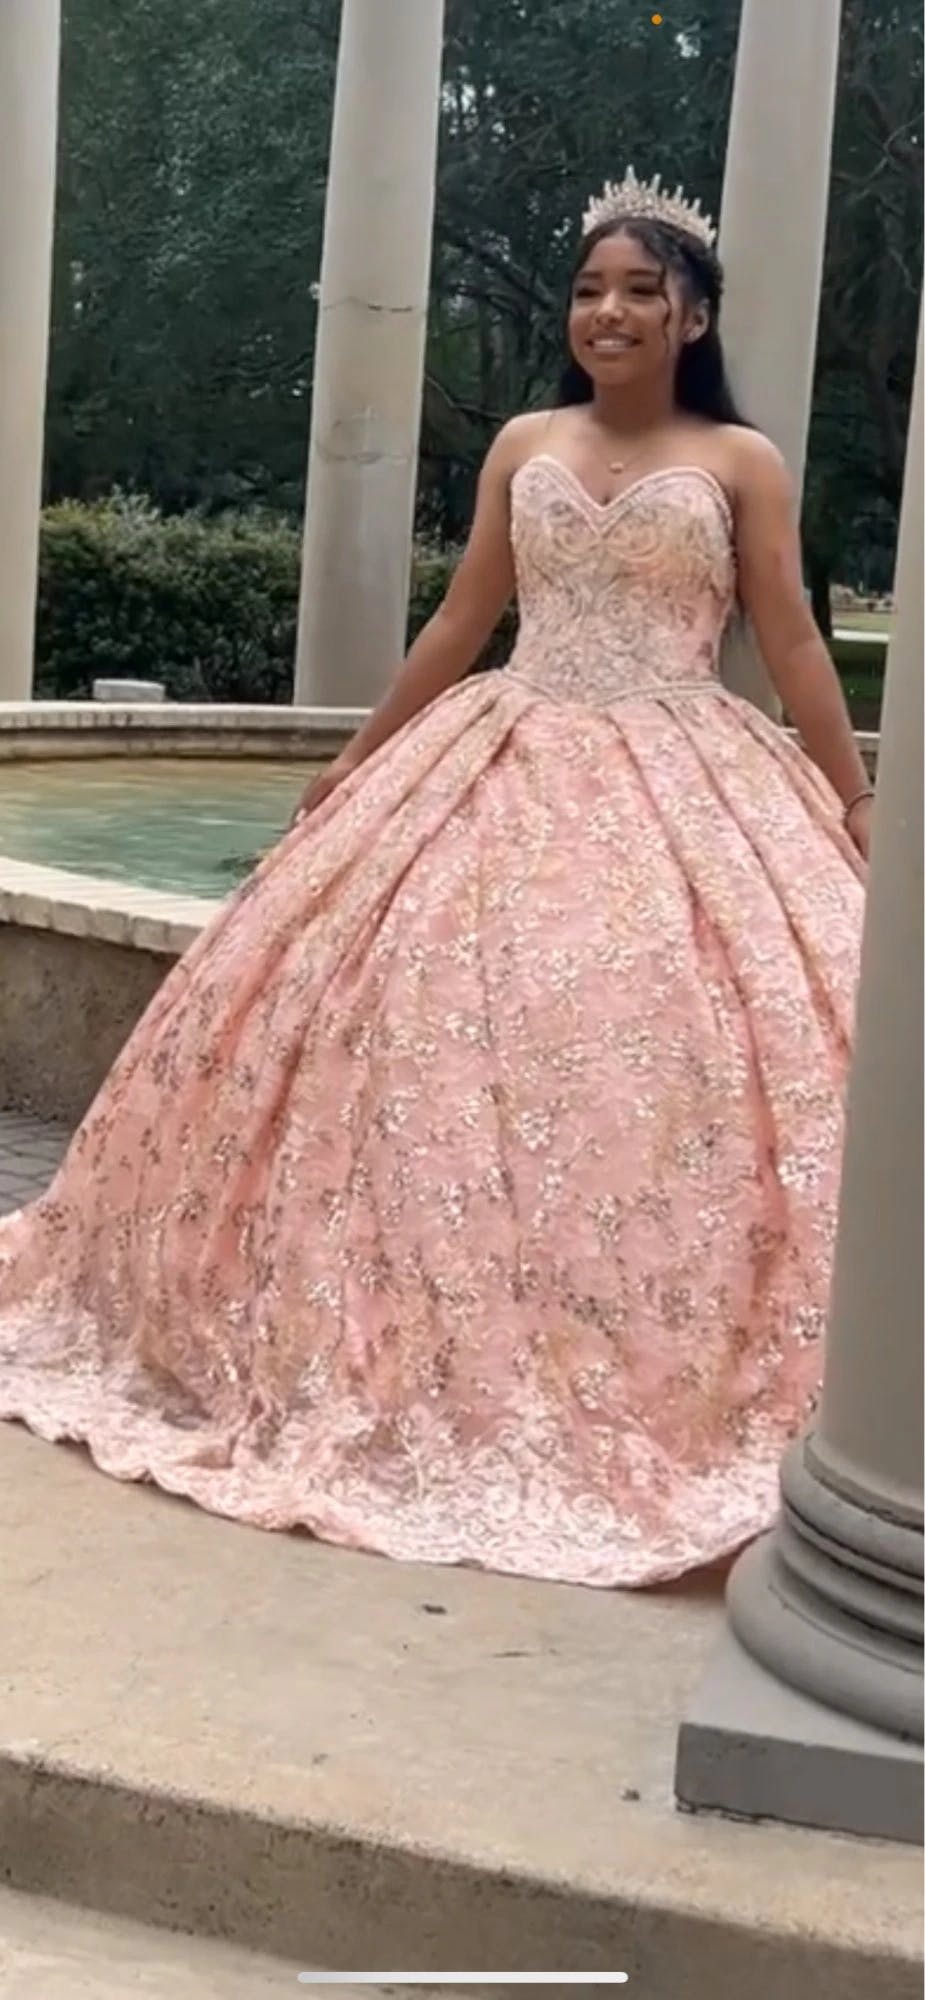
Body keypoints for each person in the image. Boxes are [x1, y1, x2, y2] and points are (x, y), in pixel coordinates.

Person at [0, 171, 870, 1589]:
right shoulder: (526, 441)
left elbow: (788, 644)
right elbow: (466, 617)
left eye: (638, 290)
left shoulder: (739, 462)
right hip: (504, 743)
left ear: (692, 316)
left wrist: (855, 797)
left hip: (682, 764)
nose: (606, 312)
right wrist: (359, 758)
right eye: (588, 289)